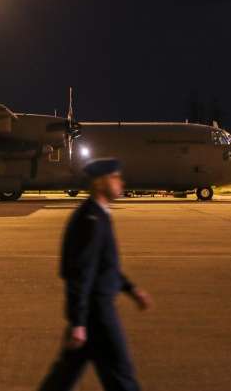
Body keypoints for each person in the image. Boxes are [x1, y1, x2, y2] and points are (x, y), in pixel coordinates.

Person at [38, 158, 153, 391]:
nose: (121, 182)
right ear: (101, 183)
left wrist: (131, 289)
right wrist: (79, 321)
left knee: (65, 376)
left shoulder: (97, 215)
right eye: (115, 177)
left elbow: (104, 266)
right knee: (121, 375)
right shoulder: (91, 219)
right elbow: (81, 272)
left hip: (92, 311)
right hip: (97, 313)